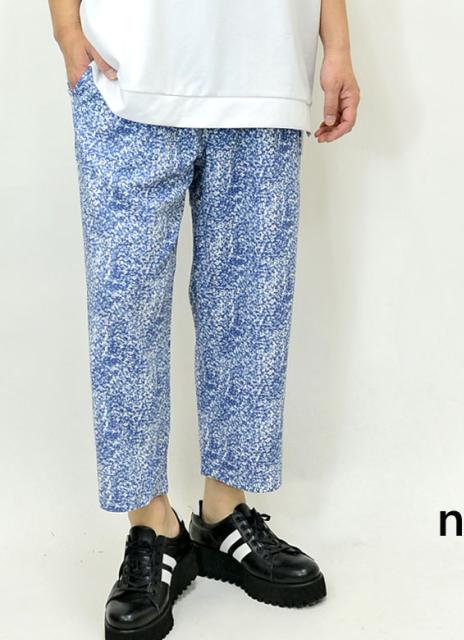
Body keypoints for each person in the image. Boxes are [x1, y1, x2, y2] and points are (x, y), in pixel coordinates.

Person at [48, 1, 360, 638]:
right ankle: (152, 526)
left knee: (251, 310)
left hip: (264, 69)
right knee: (124, 311)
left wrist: (338, 45)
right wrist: (65, 27)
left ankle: (223, 514)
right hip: (125, 72)